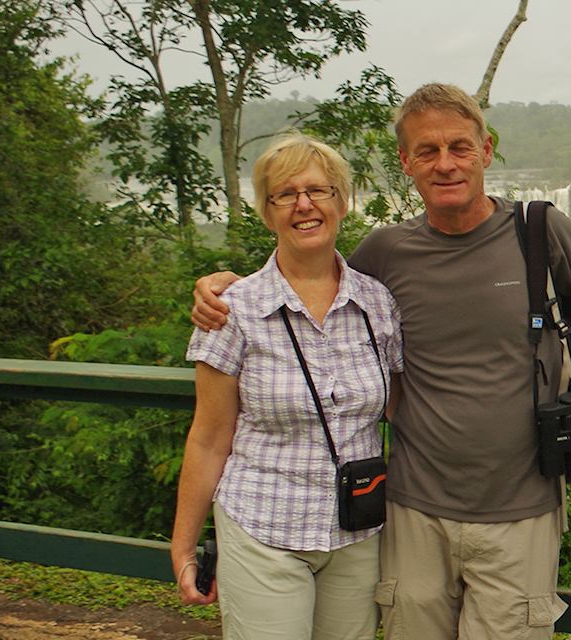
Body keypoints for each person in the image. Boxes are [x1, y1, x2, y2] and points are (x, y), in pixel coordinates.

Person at [190, 83, 571, 639]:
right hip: (413, 510)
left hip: (523, 508)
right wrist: (230, 289)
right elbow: (314, 280)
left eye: (459, 146)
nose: (446, 163)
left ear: (486, 150)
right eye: (427, 151)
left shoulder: (538, 230)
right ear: (406, 163)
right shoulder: (388, 251)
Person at [172, 134, 401, 640]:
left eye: (318, 190)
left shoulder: (378, 304)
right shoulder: (234, 307)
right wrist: (183, 545)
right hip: (262, 526)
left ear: (341, 201)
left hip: (357, 532)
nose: (304, 205)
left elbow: (401, 408)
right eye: (285, 194)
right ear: (268, 210)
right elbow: (209, 437)